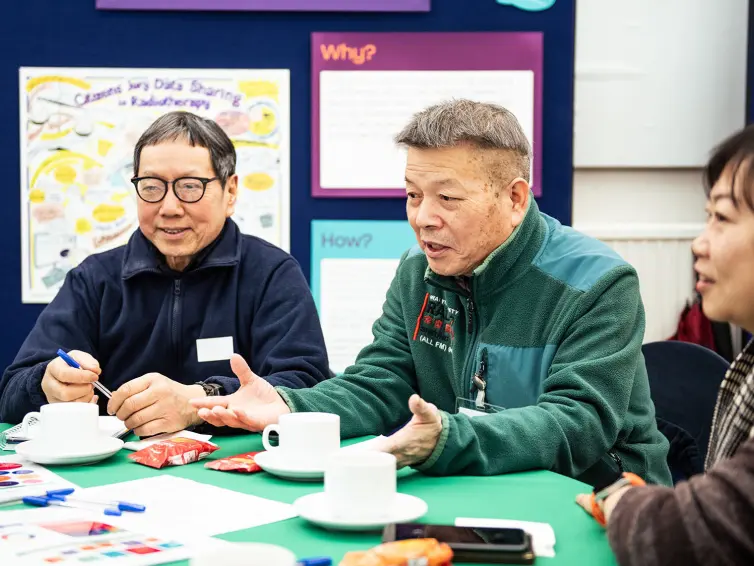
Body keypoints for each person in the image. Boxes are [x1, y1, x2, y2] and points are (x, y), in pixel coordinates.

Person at [192, 99, 671, 486]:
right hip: (476, 482)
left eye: (448, 198)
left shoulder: (598, 283)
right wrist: (291, 405)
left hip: (602, 501)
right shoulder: (417, 270)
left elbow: (578, 426)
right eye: (413, 195)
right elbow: (383, 381)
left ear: (515, 199)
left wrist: (448, 438)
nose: (423, 218)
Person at [0, 111, 330, 436]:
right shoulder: (94, 279)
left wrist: (202, 399)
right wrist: (47, 385)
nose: (169, 208)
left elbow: (307, 387)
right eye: (152, 186)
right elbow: (11, 393)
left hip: (241, 471)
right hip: (114, 476)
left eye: (190, 186)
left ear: (230, 192)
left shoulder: (271, 273)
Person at [576, 125, 754, 565]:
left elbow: (692, 533)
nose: (700, 242)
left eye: (723, 218)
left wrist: (618, 500)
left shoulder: (597, 282)